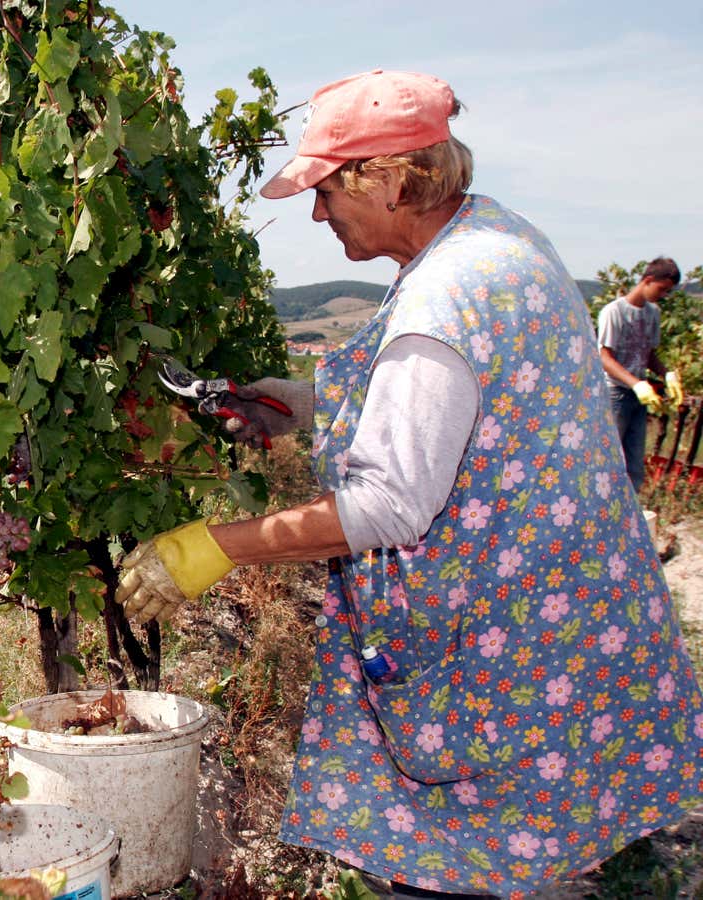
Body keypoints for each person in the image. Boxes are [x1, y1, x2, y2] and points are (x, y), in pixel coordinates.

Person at [117, 70, 703, 898]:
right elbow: (465, 403)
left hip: (500, 654)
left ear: (390, 179)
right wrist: (311, 402)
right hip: (562, 626)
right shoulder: (501, 241)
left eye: (324, 190)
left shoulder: (445, 295)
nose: (317, 213)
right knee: (522, 859)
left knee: (457, 872)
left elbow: (388, 504)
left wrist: (212, 547)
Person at [597, 257, 684, 489]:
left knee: (634, 464)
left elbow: (648, 355)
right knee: (610, 458)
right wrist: (635, 383)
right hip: (616, 393)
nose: (663, 295)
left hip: (638, 396)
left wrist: (667, 375)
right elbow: (604, 357)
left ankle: (632, 515)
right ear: (647, 280)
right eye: (662, 289)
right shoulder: (614, 312)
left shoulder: (652, 313)